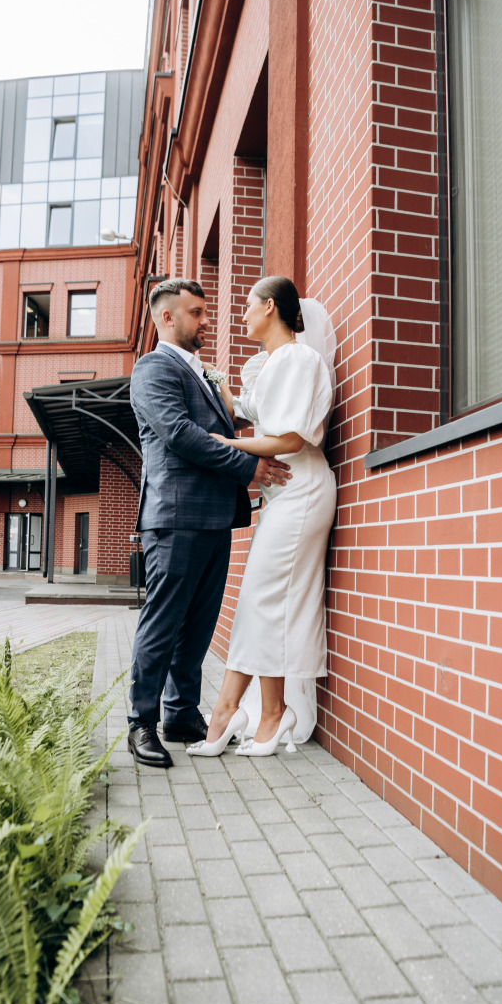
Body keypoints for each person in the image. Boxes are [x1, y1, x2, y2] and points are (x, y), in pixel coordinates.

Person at [127, 279, 292, 768]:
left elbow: (220, 427)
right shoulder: (152, 368)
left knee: (197, 628)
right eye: (196, 313)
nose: (205, 320)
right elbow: (180, 434)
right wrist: (248, 468)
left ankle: (179, 714)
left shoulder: (201, 372)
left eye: (204, 311)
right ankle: (141, 722)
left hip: (214, 518)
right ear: (167, 319)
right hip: (175, 517)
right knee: (162, 623)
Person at [187, 275, 337, 758]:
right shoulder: (275, 363)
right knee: (262, 601)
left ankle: (248, 712)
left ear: (270, 307)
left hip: (302, 490)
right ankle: (257, 712)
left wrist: (224, 444)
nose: (243, 314)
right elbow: (252, 409)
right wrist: (218, 387)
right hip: (282, 492)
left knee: (261, 598)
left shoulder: (299, 358)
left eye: (249, 306)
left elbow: (290, 438)